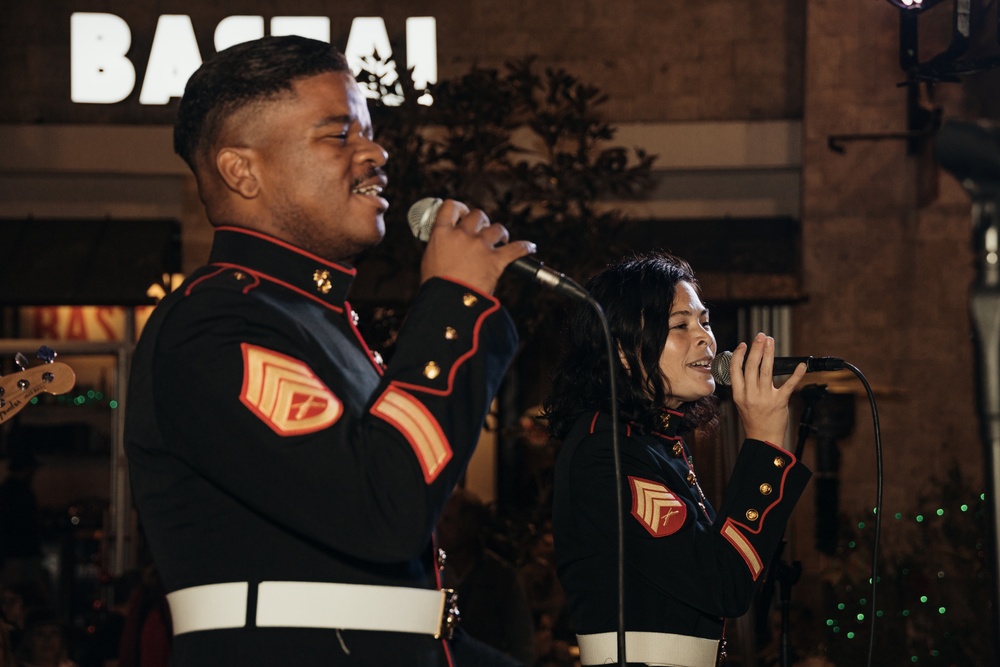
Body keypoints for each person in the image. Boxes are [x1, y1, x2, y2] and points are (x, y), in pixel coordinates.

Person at [124, 35, 533, 667]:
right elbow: (383, 509)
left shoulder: (312, 318)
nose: (376, 152)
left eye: (367, 131)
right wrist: (452, 306)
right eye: (338, 134)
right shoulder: (213, 325)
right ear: (242, 170)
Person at [543, 252, 812, 667]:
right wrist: (764, 444)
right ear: (623, 349)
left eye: (704, 321)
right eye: (681, 325)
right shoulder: (607, 451)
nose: (706, 337)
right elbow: (724, 584)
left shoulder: (653, 440)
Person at [435, 489, 536, 665]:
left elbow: (522, 640)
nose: (438, 527)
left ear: (470, 525)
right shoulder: (432, 571)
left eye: (447, 520)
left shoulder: (500, 576)